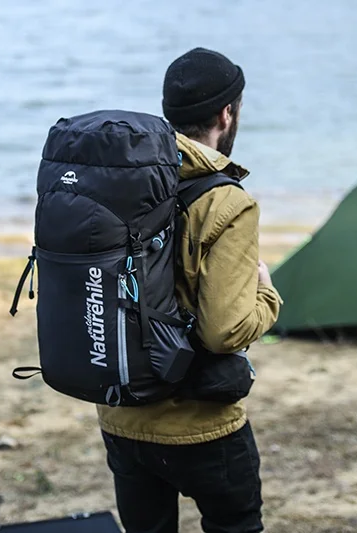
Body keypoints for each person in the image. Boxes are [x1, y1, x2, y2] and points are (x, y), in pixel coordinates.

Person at [96, 47, 284, 533]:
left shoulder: (123, 182)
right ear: (227, 114)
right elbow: (224, 332)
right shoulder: (227, 202)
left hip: (123, 417)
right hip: (201, 426)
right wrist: (267, 296)